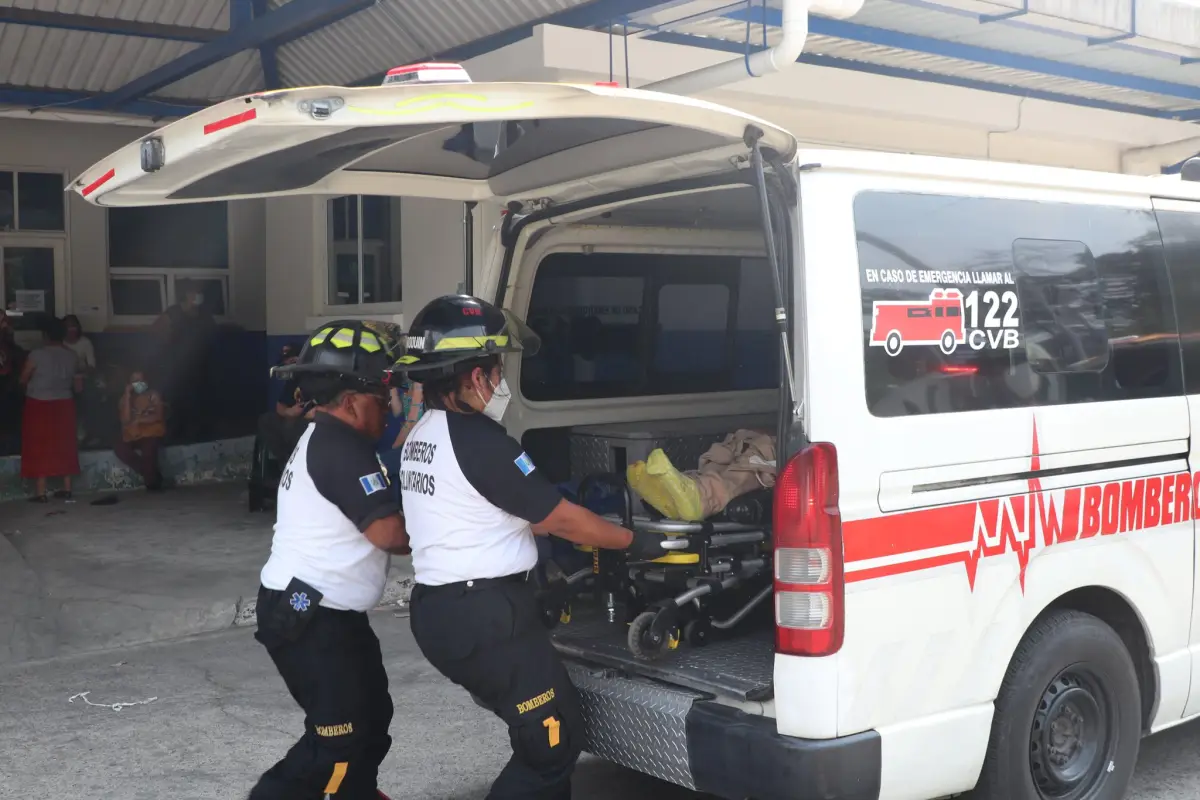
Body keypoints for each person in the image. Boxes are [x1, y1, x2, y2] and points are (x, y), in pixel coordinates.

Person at [391, 295, 671, 800]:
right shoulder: (481, 442)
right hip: (483, 615)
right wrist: (635, 541)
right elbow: (559, 519)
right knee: (550, 745)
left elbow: (489, 512)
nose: (500, 382)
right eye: (495, 370)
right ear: (473, 376)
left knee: (547, 734)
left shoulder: (423, 434)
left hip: (446, 611)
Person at [248, 320, 410, 800]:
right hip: (309, 616)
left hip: (329, 613)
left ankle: (356, 792)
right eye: (382, 399)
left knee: (372, 716)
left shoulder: (332, 437)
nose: (388, 409)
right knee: (337, 739)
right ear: (351, 400)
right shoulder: (340, 446)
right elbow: (389, 534)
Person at [19, 315, 82, 502]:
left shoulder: (36, 355)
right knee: (65, 443)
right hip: (65, 404)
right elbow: (78, 386)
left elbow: (23, 379)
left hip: (39, 404)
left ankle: (41, 492)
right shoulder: (72, 355)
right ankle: (67, 488)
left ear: (45, 335)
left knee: (39, 444)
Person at [152, 287, 216, 443]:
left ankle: (194, 435)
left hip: (199, 365)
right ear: (186, 295)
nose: (198, 296)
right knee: (176, 400)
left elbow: (212, 332)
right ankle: (174, 435)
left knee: (196, 401)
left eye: (199, 293)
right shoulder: (173, 312)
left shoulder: (204, 314)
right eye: (194, 293)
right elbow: (158, 330)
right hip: (176, 365)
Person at [114, 370, 166, 491]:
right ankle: (151, 475)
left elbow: (158, 416)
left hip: (151, 432)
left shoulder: (153, 395)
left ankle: (152, 482)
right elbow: (125, 419)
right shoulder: (124, 399)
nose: (138, 383)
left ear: (146, 381)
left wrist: (140, 420)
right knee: (120, 448)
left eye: (140, 380)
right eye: (134, 381)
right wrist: (127, 395)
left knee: (149, 451)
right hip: (132, 435)